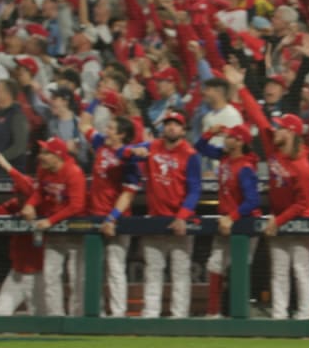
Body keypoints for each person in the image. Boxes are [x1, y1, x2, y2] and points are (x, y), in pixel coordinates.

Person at [231, 65, 309, 321]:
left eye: (280, 127)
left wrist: (277, 221)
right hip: (279, 215)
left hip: (302, 218)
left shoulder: (302, 165)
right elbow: (258, 116)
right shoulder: (273, 144)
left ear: (291, 132)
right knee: (279, 269)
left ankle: (305, 317)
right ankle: (279, 317)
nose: (275, 129)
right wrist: (240, 87)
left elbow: (302, 204)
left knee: (300, 268)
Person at [121, 110, 202, 319]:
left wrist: (182, 216)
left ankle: (179, 317)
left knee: (180, 273)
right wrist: (133, 152)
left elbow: (194, 190)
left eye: (176, 124)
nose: (171, 127)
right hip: (155, 220)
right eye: (168, 124)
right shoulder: (153, 146)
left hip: (179, 222)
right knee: (153, 271)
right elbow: (121, 152)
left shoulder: (190, 154)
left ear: (183, 130)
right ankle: (150, 315)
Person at [194, 122, 261, 318]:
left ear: (239, 142)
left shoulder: (246, 166)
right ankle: (213, 314)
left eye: (230, 136)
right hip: (227, 221)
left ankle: (240, 315)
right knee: (215, 265)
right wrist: (209, 132)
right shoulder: (225, 157)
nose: (225, 138)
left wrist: (232, 218)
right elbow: (200, 147)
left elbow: (253, 201)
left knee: (239, 268)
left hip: (245, 224)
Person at [77, 113, 141, 318]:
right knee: (93, 269)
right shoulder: (101, 144)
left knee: (115, 268)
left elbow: (128, 194)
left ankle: (118, 315)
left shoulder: (129, 160)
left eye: (112, 128)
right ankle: (95, 313)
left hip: (117, 220)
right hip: (95, 215)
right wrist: (96, 101)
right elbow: (84, 125)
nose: (107, 131)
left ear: (122, 134)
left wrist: (112, 217)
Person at [20, 136, 87, 316]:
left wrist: (51, 220)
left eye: (46, 153)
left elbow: (77, 205)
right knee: (50, 276)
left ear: (57, 155)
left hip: (76, 230)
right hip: (55, 229)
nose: (41, 156)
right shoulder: (43, 170)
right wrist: (30, 204)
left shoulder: (73, 172)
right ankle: (55, 317)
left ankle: (78, 318)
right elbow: (40, 191)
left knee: (77, 279)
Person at [0, 152, 45, 317]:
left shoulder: (40, 206)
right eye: (18, 194)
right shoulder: (15, 204)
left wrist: (3, 163)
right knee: (1, 314)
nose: (19, 196)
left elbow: (27, 186)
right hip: (17, 272)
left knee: (39, 322)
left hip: (38, 274)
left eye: (22, 194)